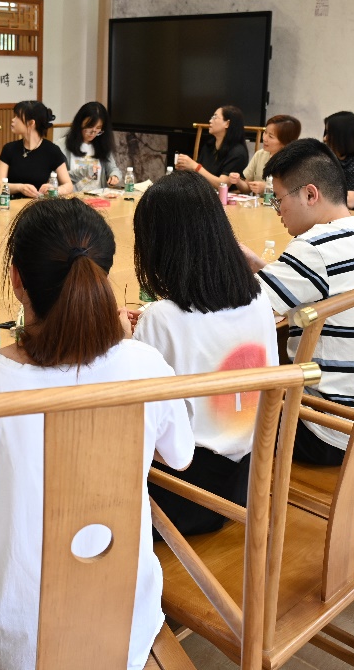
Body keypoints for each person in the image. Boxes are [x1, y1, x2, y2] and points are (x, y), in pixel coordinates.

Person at [0, 199, 194, 670]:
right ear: (102, 278)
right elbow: (181, 455)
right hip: (123, 628)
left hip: (5, 641)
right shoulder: (144, 363)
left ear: (16, 279)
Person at [125, 171, 278, 535]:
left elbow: (134, 414)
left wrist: (123, 344)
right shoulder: (259, 296)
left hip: (181, 495)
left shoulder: (163, 318)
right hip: (247, 482)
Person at [240, 140, 354, 466]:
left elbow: (245, 311)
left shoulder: (315, 246)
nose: (278, 212)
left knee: (222, 407)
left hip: (326, 431)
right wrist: (260, 267)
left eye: (279, 200)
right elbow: (312, 286)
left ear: (310, 194)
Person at [0, 100, 73, 198]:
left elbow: (68, 185)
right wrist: (20, 187)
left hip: (37, 204)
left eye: (17, 117)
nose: (13, 120)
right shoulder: (9, 149)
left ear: (31, 123)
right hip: (11, 203)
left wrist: (55, 190)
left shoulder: (51, 150)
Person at [176, 105, 249, 191]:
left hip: (226, 197)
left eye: (215, 117)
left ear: (227, 124)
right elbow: (199, 175)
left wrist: (195, 166)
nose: (210, 121)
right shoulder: (209, 145)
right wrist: (187, 168)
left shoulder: (238, 152)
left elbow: (222, 184)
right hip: (204, 193)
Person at [230, 113, 300, 195]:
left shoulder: (293, 162)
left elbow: (292, 193)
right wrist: (238, 181)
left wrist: (267, 188)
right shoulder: (260, 155)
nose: (264, 138)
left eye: (271, 136)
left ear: (285, 142)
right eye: (265, 132)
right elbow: (247, 189)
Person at [62, 100, 122, 192]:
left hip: (98, 197)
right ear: (80, 123)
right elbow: (57, 178)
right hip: (73, 198)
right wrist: (84, 172)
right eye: (89, 127)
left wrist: (114, 175)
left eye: (98, 128)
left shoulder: (102, 144)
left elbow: (112, 168)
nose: (93, 133)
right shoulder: (62, 146)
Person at [323, 110, 354, 211]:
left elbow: (349, 202)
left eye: (328, 134)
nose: (324, 138)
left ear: (342, 137)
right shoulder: (325, 159)